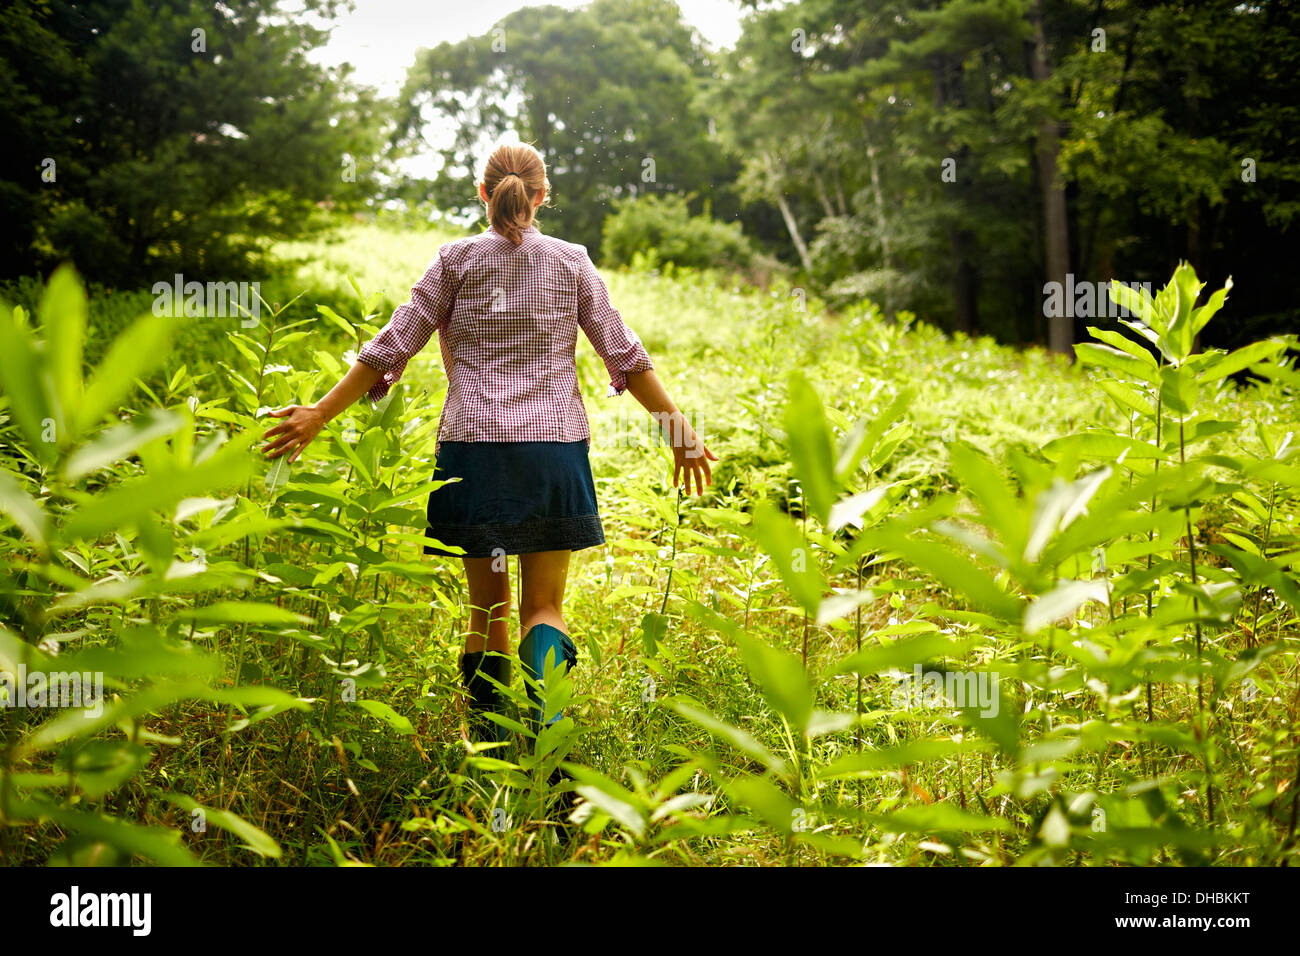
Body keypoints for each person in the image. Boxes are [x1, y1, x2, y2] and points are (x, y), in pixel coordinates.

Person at [261, 140, 717, 741]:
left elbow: (392, 345)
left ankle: (490, 746)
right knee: (544, 610)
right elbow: (625, 356)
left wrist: (319, 413)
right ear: (542, 196)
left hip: (473, 453)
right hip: (552, 455)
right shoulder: (572, 262)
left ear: (483, 193)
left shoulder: (454, 261)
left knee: (488, 612)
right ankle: (548, 725)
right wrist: (679, 432)